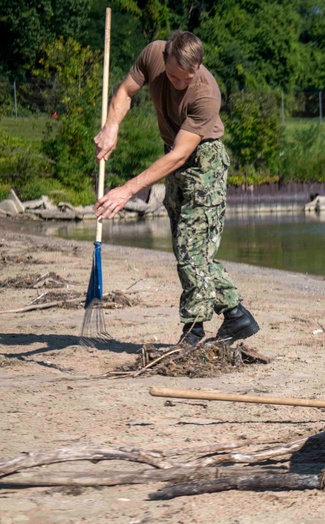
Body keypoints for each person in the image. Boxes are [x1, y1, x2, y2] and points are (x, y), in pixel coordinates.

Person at [93, 31, 258, 346]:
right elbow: (126, 91)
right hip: (176, 163)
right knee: (191, 253)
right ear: (165, 59)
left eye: (187, 77)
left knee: (190, 252)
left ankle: (193, 331)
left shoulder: (206, 94)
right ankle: (236, 315)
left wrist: (127, 190)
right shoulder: (153, 53)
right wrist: (111, 127)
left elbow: (181, 154)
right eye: (173, 76)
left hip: (203, 165)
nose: (180, 83)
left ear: (198, 66)